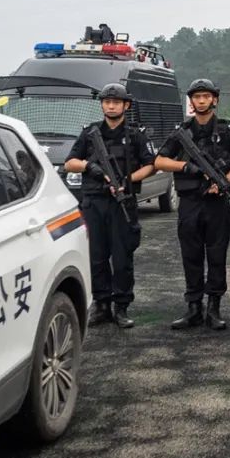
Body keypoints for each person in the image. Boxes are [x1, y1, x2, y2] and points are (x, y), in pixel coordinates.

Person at [155, 78, 230, 331]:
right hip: (190, 203)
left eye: (206, 96)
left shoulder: (227, 129)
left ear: (214, 99)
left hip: (217, 203)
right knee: (191, 255)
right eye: (197, 97)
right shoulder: (182, 131)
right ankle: (194, 307)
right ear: (192, 101)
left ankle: (213, 308)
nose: (202, 101)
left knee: (217, 255)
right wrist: (186, 166)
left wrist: (225, 181)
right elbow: (159, 161)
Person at [64, 83, 156, 328]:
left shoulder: (136, 135)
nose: (111, 106)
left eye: (116, 102)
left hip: (122, 203)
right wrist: (89, 166)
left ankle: (121, 306)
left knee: (122, 257)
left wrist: (128, 180)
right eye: (107, 102)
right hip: (94, 202)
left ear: (126, 105)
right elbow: (70, 163)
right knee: (97, 257)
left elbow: (151, 165)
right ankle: (101, 304)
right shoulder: (90, 133)